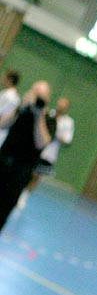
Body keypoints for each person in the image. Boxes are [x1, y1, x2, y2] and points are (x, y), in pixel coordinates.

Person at [0, 80, 54, 232]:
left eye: (40, 95)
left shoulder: (48, 119)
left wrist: (39, 116)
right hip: (3, 162)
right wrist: (20, 107)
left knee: (3, 210)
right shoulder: (21, 110)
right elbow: (2, 124)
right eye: (34, 93)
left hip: (20, 171)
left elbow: (41, 143)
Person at [25, 96, 74, 198]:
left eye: (64, 105)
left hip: (49, 154)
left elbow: (67, 140)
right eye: (60, 103)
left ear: (66, 108)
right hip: (38, 149)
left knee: (36, 176)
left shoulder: (68, 122)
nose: (61, 106)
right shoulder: (48, 114)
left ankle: (25, 196)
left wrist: (55, 133)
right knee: (28, 172)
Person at [0, 69, 21, 146]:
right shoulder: (5, 94)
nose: (1, 79)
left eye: (4, 77)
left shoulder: (11, 97)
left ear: (10, 80)